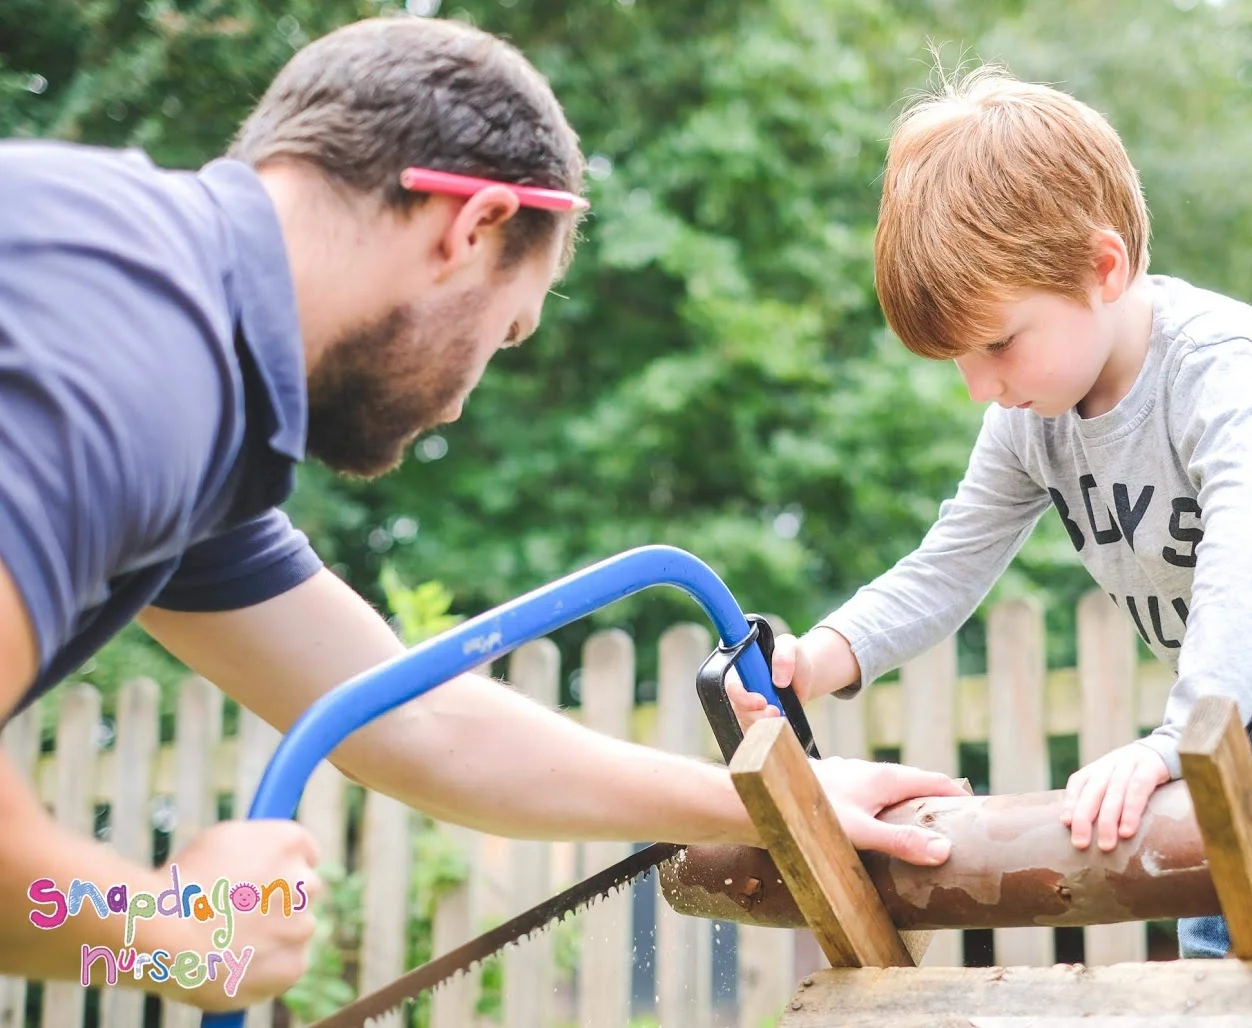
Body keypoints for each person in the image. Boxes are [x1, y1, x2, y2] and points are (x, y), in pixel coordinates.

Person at [0, 15, 966, 1012]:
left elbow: (411, 719)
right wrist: (161, 936)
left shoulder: (180, 366)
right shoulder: (142, 344)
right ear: (471, 228)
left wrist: (775, 801)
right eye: (506, 332)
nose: (462, 400)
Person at [725, 65, 1252, 959]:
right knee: (1233, 898)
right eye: (958, 359)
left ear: (1101, 268)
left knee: (1237, 911)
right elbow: (947, 563)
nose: (979, 386)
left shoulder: (1221, 367)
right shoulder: (1029, 421)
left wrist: (1173, 742)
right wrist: (819, 659)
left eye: (996, 344)